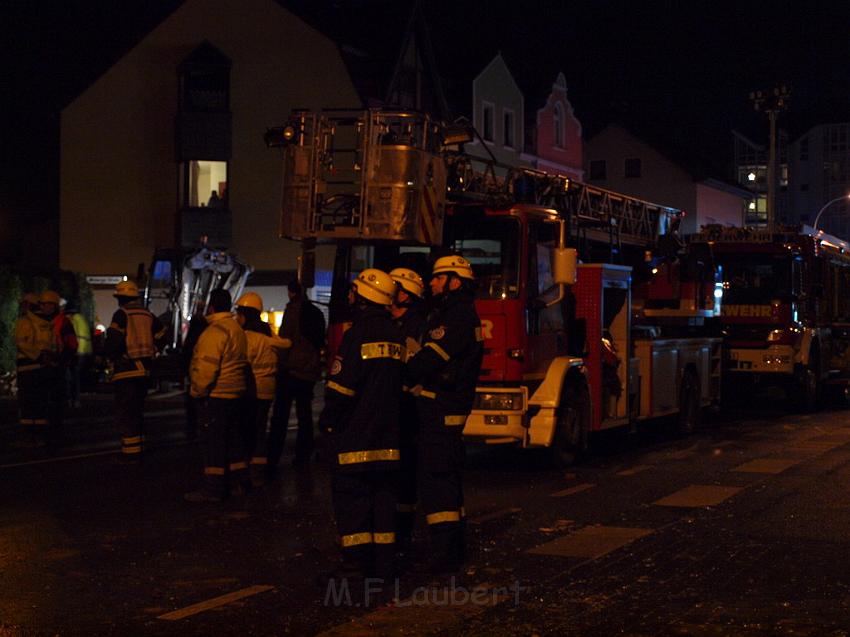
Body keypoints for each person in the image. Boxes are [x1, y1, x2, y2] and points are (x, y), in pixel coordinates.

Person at [318, 268, 404, 584]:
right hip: (389, 440)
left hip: (355, 439)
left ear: (364, 296)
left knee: (352, 504)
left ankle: (355, 566)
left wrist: (327, 424)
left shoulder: (356, 335)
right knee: (383, 505)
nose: (350, 296)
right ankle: (383, 566)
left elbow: (341, 391)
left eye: (354, 291)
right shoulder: (397, 335)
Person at [405, 255, 484, 574]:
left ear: (455, 281)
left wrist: (404, 371)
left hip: (442, 409)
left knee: (437, 482)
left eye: (439, 278)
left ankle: (445, 552)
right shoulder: (454, 313)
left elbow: (433, 358)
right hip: (445, 408)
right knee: (446, 480)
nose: (432, 283)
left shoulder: (458, 316)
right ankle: (453, 546)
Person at [186, 288, 249, 502]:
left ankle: (213, 489)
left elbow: (206, 369)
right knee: (234, 441)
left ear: (211, 307)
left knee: (213, 444)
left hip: (217, 395)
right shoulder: (236, 328)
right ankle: (238, 483)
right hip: (235, 394)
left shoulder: (214, 332)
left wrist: (197, 392)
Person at [387, 267, 429, 553]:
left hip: (409, 410)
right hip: (389, 409)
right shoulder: (388, 323)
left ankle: (402, 535)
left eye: (393, 288)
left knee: (406, 475)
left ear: (405, 295)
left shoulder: (417, 327)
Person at [104, 281, 166, 462]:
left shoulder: (122, 314)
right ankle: (139, 446)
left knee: (126, 412)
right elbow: (163, 334)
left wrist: (109, 355)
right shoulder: (147, 315)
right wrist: (154, 349)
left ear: (121, 298)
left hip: (126, 370)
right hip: (144, 371)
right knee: (137, 411)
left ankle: (131, 452)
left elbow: (113, 341)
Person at [268, 279, 326, 473]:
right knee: (305, 415)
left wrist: (280, 364)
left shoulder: (293, 310)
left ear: (290, 292)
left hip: (292, 370)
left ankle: (272, 458)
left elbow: (286, 340)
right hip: (309, 371)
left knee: (280, 416)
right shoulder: (316, 313)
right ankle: (303, 455)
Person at [233, 292, 291, 486]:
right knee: (260, 431)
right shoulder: (269, 335)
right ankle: (260, 472)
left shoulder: (246, 337)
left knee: (245, 431)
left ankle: (245, 472)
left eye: (239, 313)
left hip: (249, 391)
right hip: (267, 391)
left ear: (245, 315)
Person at [14, 292, 56, 443]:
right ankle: (40, 436)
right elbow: (52, 346)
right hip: (43, 368)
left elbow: (20, 342)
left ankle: (27, 437)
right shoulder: (47, 324)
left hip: (27, 368)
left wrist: (37, 355)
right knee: (41, 403)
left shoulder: (25, 322)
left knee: (27, 404)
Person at [39, 290, 77, 429]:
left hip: (57, 366)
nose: (42, 307)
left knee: (56, 399)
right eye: (41, 304)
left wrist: (60, 361)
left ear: (53, 305)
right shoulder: (43, 321)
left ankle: (56, 428)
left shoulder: (63, 322)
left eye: (44, 304)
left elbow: (72, 345)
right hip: (44, 365)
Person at [65, 301, 92, 409]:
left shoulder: (73, 319)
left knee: (71, 376)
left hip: (77, 351)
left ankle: (72, 399)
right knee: (75, 376)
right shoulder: (80, 318)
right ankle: (75, 399)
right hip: (84, 350)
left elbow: (74, 336)